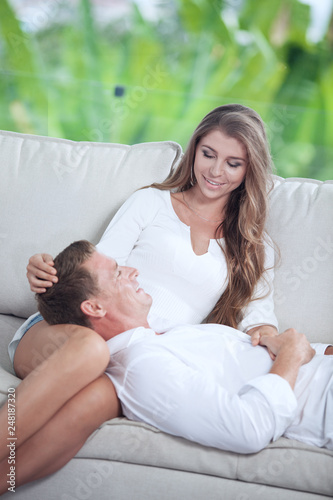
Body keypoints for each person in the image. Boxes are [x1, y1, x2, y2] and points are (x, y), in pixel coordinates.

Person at [1, 241, 332, 494]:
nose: (133, 271)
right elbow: (249, 428)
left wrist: (282, 342)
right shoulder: (142, 366)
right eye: (118, 271)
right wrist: (291, 355)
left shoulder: (164, 334)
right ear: (94, 307)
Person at [12, 104, 282, 371]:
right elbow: (98, 271)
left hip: (144, 357)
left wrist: (271, 336)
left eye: (233, 164)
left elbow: (259, 319)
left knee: (111, 378)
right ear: (195, 150)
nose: (215, 171)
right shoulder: (151, 202)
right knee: (91, 352)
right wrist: (48, 271)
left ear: (250, 170)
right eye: (208, 155)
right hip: (87, 332)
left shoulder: (254, 246)